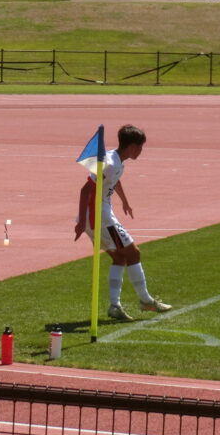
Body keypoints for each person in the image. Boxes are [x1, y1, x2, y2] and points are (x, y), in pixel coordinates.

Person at [74, 124, 172, 320]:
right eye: (140, 147)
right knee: (133, 253)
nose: (141, 151)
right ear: (132, 146)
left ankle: (115, 306)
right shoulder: (110, 163)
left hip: (101, 215)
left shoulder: (117, 160)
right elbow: (85, 190)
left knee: (120, 258)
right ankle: (145, 300)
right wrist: (82, 221)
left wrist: (125, 202)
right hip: (100, 217)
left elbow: (114, 180)